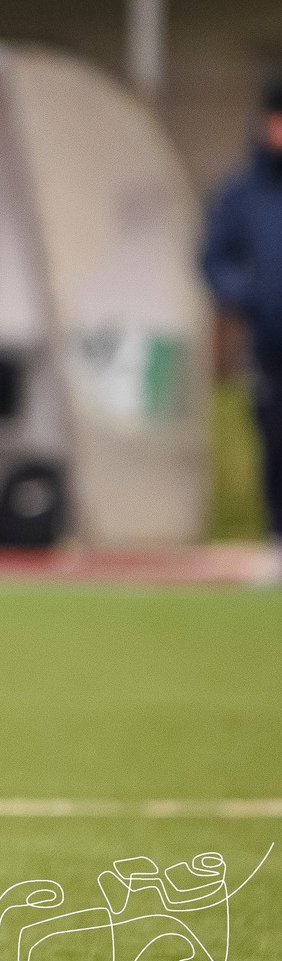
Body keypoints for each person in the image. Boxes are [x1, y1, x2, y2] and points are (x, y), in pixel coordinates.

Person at [201, 71, 282, 586]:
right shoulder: (243, 193)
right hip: (271, 342)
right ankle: (278, 538)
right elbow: (213, 258)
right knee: (274, 441)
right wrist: (246, 293)